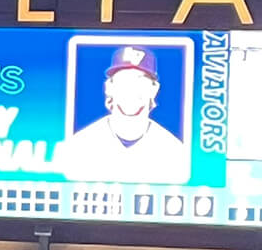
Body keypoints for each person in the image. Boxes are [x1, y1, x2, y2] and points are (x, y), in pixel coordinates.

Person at [59, 45, 192, 184]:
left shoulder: (174, 152)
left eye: (140, 81)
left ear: (154, 89)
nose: (131, 90)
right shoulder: (79, 145)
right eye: (124, 81)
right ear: (109, 87)